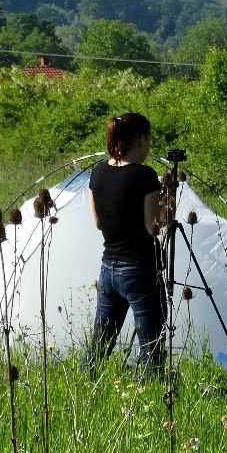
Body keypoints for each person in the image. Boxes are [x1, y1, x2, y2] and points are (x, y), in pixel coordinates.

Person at [86, 112, 166, 376]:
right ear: (141, 140)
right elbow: (151, 226)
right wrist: (168, 209)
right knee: (151, 346)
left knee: (100, 344)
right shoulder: (145, 176)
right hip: (140, 269)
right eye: (149, 140)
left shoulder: (98, 172)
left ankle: (86, 383)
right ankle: (151, 389)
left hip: (108, 268)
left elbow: (97, 222)